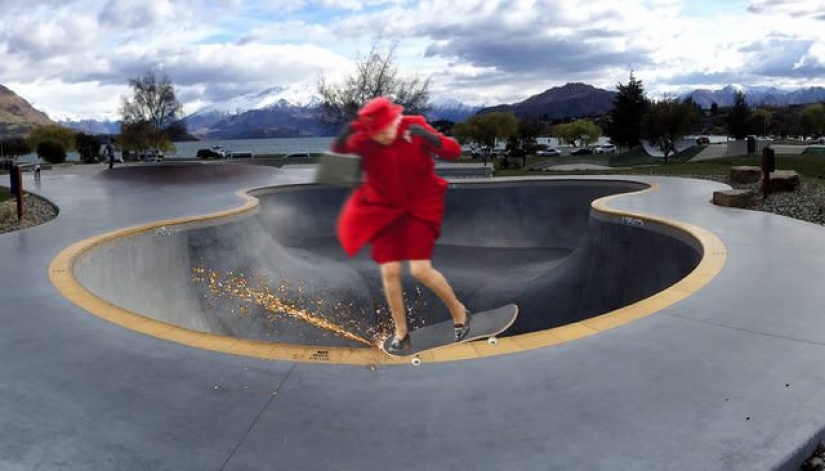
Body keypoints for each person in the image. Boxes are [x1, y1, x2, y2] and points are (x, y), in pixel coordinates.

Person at [331, 96, 469, 352]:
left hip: (420, 206)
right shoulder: (366, 138)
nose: (381, 137)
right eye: (376, 133)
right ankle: (402, 332)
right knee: (389, 272)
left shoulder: (414, 127)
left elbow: (454, 151)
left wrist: (432, 138)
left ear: (395, 120)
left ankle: (460, 312)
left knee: (420, 270)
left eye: (385, 131)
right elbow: (338, 154)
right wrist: (348, 131)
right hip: (385, 211)